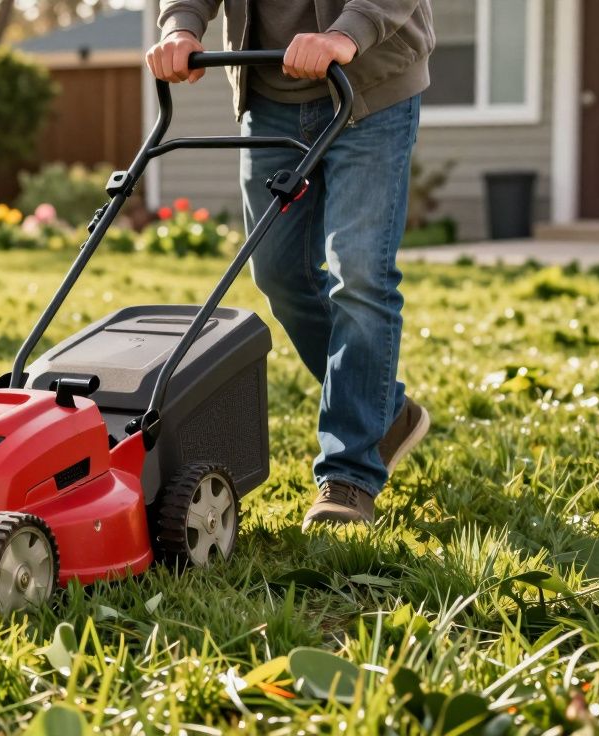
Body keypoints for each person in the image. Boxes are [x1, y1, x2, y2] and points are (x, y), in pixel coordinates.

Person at [147, 0, 435, 529]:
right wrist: (181, 25)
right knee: (279, 274)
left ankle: (349, 476)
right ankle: (384, 413)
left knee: (360, 275)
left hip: (369, 87)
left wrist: (349, 33)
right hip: (270, 92)